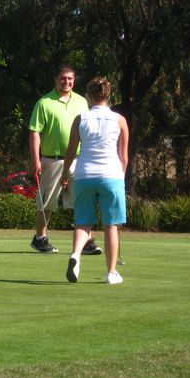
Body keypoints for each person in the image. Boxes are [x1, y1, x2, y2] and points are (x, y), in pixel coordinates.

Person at [28, 63, 101, 255]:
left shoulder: (81, 102)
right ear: (55, 80)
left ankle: (86, 240)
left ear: (74, 80)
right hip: (52, 159)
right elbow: (35, 133)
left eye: (70, 78)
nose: (66, 82)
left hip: (78, 158)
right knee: (47, 202)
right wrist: (35, 159)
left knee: (81, 200)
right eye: (62, 78)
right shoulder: (44, 102)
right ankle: (40, 237)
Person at [62, 76, 129, 284]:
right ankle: (111, 273)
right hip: (111, 174)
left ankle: (76, 255)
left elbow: (71, 152)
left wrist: (65, 174)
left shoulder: (80, 119)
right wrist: (121, 176)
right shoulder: (119, 120)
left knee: (83, 221)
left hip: (85, 175)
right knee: (111, 225)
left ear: (89, 96)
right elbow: (124, 156)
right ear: (108, 95)